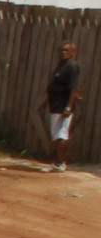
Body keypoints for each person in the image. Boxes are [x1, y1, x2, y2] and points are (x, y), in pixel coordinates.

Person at [45, 40, 80, 171]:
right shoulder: (61, 66)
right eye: (61, 50)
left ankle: (60, 163)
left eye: (66, 50)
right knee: (56, 134)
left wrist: (68, 107)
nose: (63, 53)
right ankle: (57, 161)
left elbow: (73, 88)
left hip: (63, 107)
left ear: (73, 52)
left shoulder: (72, 67)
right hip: (55, 106)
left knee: (62, 134)